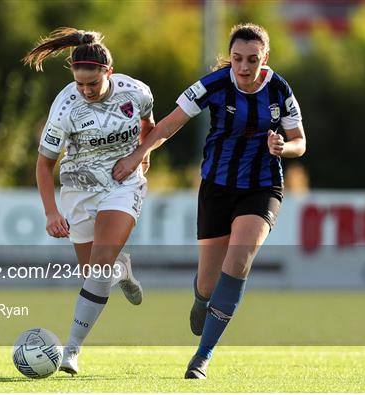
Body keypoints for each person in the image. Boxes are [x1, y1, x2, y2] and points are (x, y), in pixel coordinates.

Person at [112, 23, 306, 379]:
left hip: (262, 188)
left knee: (239, 260)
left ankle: (202, 357)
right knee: (208, 282)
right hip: (216, 188)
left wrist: (284, 148)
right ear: (229, 58)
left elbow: (300, 141)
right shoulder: (214, 85)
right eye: (237, 59)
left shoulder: (279, 89)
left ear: (264, 59)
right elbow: (171, 124)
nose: (244, 67)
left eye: (252, 59)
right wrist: (138, 153)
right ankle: (202, 300)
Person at [25, 27, 154, 376]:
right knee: (93, 274)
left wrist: (142, 151)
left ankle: (71, 350)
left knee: (98, 264)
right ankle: (121, 270)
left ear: (108, 73)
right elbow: (44, 164)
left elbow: (148, 123)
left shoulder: (137, 92)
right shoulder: (65, 107)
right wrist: (51, 212)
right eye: (80, 84)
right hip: (78, 190)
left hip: (123, 185)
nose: (85, 91)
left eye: (92, 85)